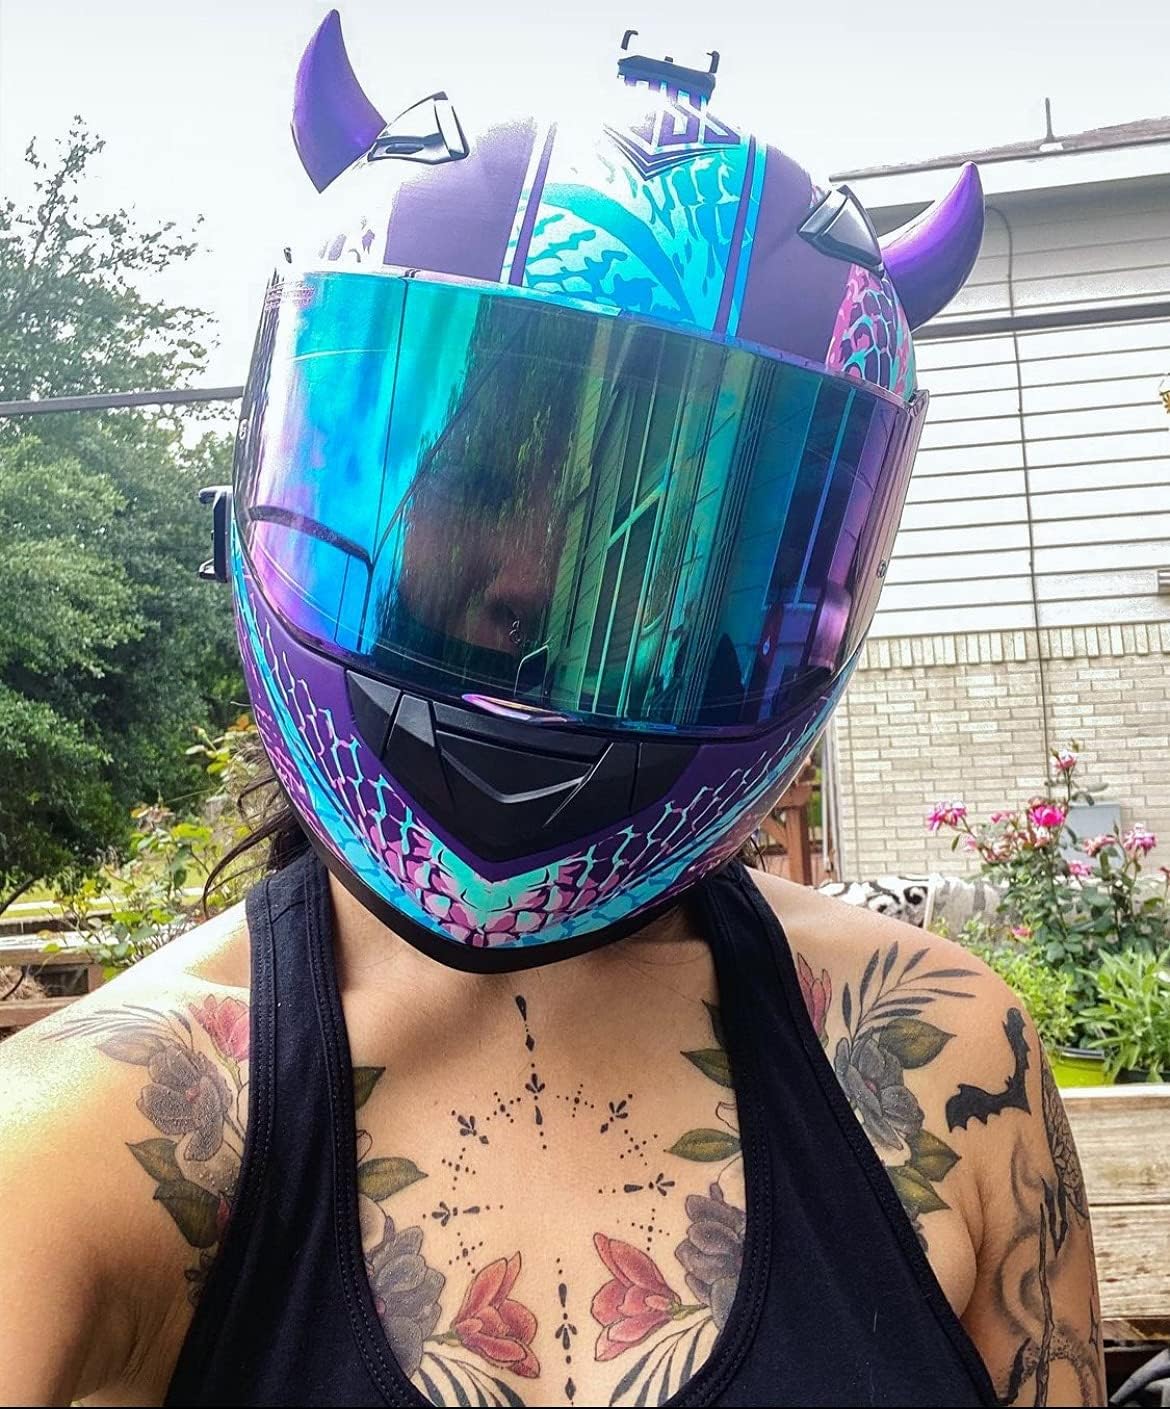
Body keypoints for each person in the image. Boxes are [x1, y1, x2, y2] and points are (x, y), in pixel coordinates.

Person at [0, 13, 1105, 1407]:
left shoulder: (948, 1056)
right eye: (475, 482)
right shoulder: (96, 1126)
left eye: (636, 528)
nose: (529, 577)